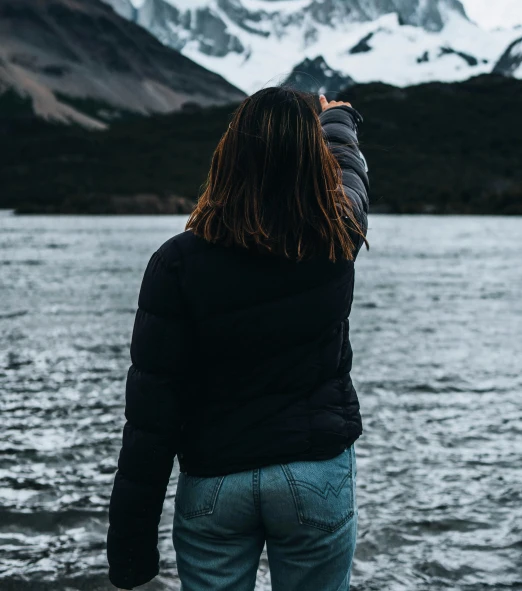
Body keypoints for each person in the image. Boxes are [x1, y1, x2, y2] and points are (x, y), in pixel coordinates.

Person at [107, 87, 369, 591]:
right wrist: (337, 122)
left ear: (228, 156)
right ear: (314, 162)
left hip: (216, 480)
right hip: (314, 473)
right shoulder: (337, 237)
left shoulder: (177, 262)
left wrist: (131, 553)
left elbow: (150, 419)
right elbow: (352, 179)